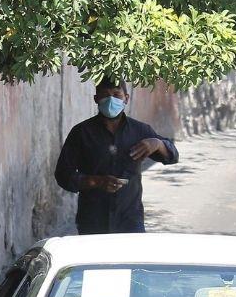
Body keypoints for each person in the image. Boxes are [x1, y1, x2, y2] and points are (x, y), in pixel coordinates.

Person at [54, 77, 178, 235]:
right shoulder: (81, 133)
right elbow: (63, 175)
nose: (111, 99)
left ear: (126, 98)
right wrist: (96, 182)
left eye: (116, 95)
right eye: (105, 95)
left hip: (130, 221)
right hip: (92, 221)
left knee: (131, 260)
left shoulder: (140, 131)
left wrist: (158, 144)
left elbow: (172, 156)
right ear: (96, 99)